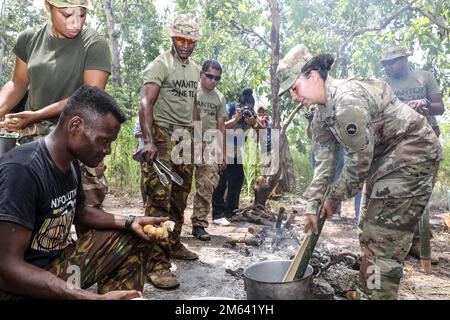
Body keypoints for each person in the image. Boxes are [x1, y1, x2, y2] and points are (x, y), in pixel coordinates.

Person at [277, 44, 441, 300]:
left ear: (312, 75)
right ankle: (369, 291)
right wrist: (312, 206)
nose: (294, 97)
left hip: (413, 152)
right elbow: (324, 164)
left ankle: (377, 295)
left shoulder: (346, 102)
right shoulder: (321, 114)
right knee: (367, 228)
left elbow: (357, 165)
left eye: (294, 88)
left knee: (382, 237)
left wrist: (332, 200)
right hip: (384, 160)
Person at [0, 85, 168, 300]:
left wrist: (130, 220)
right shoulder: (22, 170)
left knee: (136, 234)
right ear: (75, 125)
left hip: (56, 267)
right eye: (104, 140)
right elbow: (6, 269)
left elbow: (81, 213)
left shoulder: (69, 164)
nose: (107, 150)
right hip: (18, 286)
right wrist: (85, 297)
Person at [0, 0, 111, 210]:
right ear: (48, 7)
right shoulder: (29, 39)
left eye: (82, 15)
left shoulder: (95, 45)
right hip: (35, 136)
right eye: (67, 15)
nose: (76, 24)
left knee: (87, 208)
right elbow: (19, 82)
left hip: (81, 134)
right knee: (33, 203)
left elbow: (89, 95)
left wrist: (37, 114)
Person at [139, 13, 202, 290]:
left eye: (190, 40)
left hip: (184, 136)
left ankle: (173, 243)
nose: (185, 44)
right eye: (180, 39)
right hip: (162, 134)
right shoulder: (161, 63)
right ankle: (155, 262)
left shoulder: (196, 69)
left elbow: (195, 106)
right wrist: (149, 141)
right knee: (158, 197)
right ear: (172, 37)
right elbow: (145, 102)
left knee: (181, 193)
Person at [381, 45, 445, 263]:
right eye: (385, 64)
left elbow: (440, 106)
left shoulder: (424, 77)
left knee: (420, 194)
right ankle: (401, 244)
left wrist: (425, 104)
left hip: (426, 142)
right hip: (398, 144)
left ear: (405, 60)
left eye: (392, 62)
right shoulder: (385, 85)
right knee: (397, 194)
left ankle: (419, 243)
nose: (388, 67)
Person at [212, 88, 265, 225]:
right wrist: (236, 119)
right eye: (245, 108)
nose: (247, 111)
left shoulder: (251, 114)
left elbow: (262, 131)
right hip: (221, 148)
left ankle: (231, 212)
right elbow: (220, 127)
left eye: (250, 109)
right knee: (221, 181)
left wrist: (253, 123)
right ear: (239, 105)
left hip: (235, 152)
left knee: (237, 179)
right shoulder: (229, 108)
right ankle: (217, 215)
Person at [191, 60, 227, 241]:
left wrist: (222, 152)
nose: (213, 81)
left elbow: (221, 125)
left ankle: (199, 224)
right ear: (201, 74)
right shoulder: (192, 91)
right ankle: (171, 224)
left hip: (210, 145)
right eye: (210, 76)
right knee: (178, 185)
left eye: (217, 78)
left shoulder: (219, 98)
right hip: (186, 140)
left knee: (206, 185)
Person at [132, 119, 146, 207]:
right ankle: (145, 201)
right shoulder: (141, 118)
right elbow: (136, 134)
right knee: (145, 175)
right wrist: (148, 132)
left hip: (160, 151)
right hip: (144, 151)